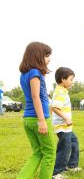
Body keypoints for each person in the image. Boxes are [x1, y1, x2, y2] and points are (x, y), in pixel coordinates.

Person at [17, 42, 56, 179]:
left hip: (28, 119)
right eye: (46, 56)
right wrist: (42, 121)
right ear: (37, 56)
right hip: (38, 119)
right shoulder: (34, 73)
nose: (49, 59)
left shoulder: (25, 73)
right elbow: (35, 96)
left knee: (38, 152)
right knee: (50, 153)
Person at [51, 67, 82, 179]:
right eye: (70, 79)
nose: (72, 82)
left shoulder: (62, 91)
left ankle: (71, 165)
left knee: (74, 142)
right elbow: (55, 107)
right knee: (65, 148)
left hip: (66, 127)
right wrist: (66, 118)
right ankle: (56, 172)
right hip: (62, 126)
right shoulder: (60, 92)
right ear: (62, 79)